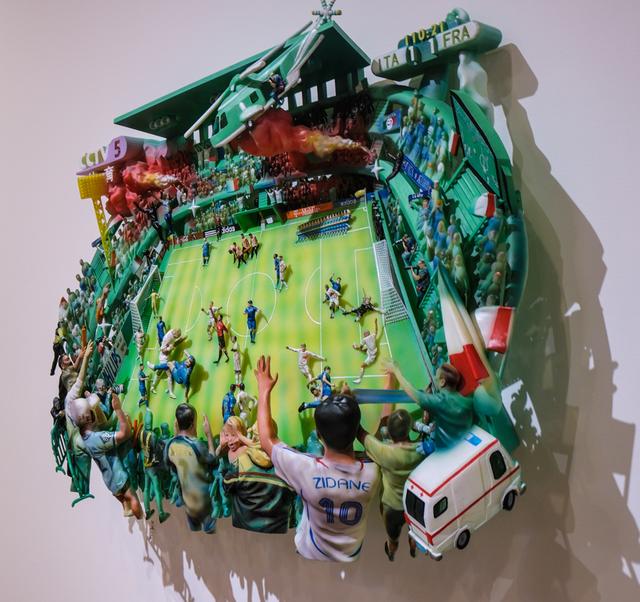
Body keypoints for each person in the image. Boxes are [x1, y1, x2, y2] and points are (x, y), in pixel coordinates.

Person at [254, 355, 380, 562]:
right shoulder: (372, 471)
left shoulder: (305, 468)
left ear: (320, 437)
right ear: (356, 431)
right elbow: (377, 445)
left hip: (310, 550)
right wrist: (349, 411)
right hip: (351, 553)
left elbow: (267, 439)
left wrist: (263, 389)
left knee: (300, 489)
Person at [356, 372, 423, 560]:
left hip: (392, 507)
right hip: (416, 504)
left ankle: (392, 551)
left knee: (392, 537)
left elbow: (359, 432)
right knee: (417, 531)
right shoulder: (421, 450)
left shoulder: (384, 452)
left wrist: (349, 400)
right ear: (409, 429)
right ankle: (414, 546)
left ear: (389, 433)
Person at [74, 392, 143, 519]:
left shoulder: (82, 438)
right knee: (133, 498)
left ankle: (126, 508)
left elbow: (101, 425)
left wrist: (91, 400)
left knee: (124, 501)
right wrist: (118, 409)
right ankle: (143, 518)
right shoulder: (97, 438)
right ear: (88, 417)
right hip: (118, 477)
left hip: (109, 481)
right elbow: (125, 433)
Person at [388, 362, 474, 449]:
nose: (434, 379)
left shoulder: (441, 401)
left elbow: (414, 394)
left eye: (436, 378)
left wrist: (396, 371)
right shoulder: (465, 401)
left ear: (442, 382)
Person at [165, 404, 218, 533]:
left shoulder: (170, 445)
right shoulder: (196, 445)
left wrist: (176, 435)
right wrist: (209, 435)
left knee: (194, 530)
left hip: (188, 504)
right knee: (210, 531)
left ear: (177, 422)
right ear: (193, 423)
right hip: (204, 504)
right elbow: (213, 460)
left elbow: (170, 464)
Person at [139, 409, 171, 523]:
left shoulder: (141, 433)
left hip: (145, 465)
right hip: (153, 466)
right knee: (157, 489)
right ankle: (161, 513)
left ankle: (147, 511)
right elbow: (157, 449)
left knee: (146, 488)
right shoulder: (152, 435)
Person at [352, 318, 379, 384]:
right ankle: (356, 347)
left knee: (362, 366)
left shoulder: (364, 339)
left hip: (371, 357)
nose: (363, 334)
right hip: (372, 351)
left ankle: (359, 379)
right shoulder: (373, 335)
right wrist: (375, 322)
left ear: (366, 334)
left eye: (364, 334)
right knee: (365, 349)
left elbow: (360, 347)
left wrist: (356, 346)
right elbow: (376, 330)